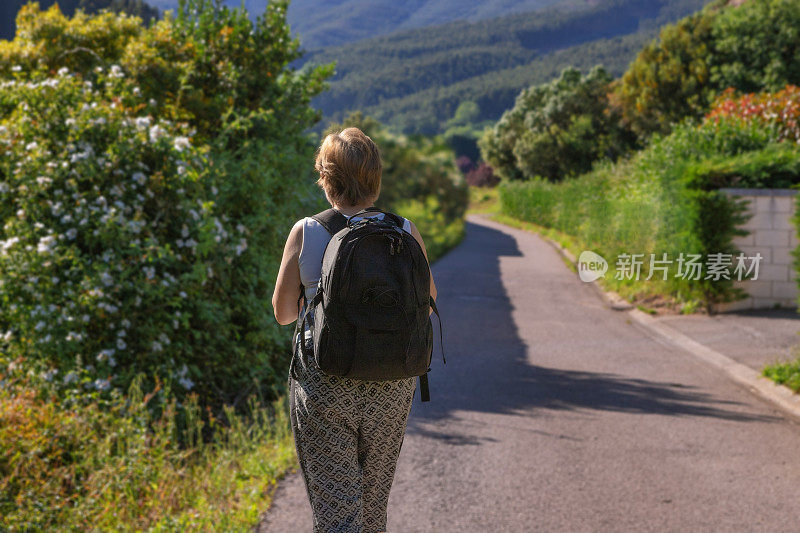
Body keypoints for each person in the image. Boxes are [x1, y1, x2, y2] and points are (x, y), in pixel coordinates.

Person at [271, 127, 437, 533]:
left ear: (326, 179)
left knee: (336, 512)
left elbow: (282, 314)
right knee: (372, 505)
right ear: (375, 177)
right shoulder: (405, 230)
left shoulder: (307, 231)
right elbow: (429, 299)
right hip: (393, 382)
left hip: (326, 382)